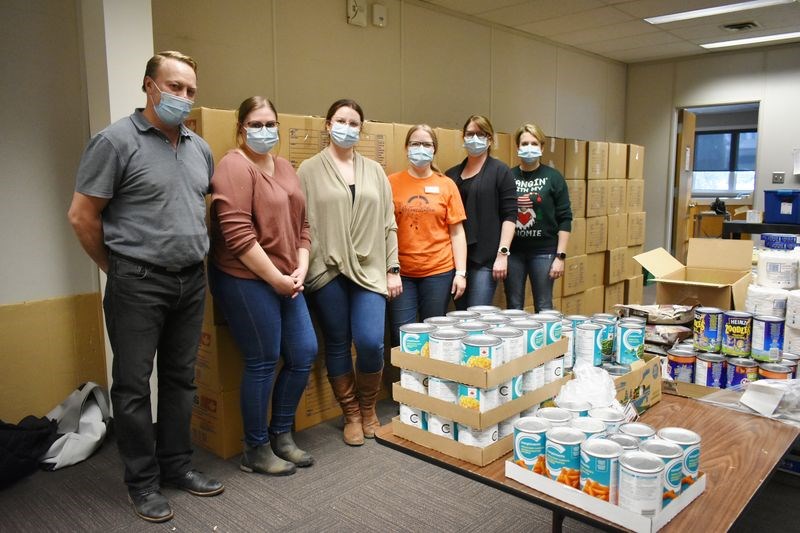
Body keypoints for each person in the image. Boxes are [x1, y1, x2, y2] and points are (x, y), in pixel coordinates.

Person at [67, 51, 223, 523]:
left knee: (181, 380)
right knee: (133, 387)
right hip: (137, 281)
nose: (183, 97)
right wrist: (114, 267)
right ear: (149, 86)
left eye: (190, 90)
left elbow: (196, 206)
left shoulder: (199, 147)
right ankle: (142, 482)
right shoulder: (114, 142)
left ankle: (177, 466)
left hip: (191, 281)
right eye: (174, 87)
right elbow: (82, 215)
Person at [208, 97, 317, 477]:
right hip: (247, 279)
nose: (265, 131)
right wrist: (276, 279)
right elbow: (237, 237)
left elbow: (303, 226)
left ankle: (281, 435)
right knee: (264, 359)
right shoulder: (233, 167)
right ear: (241, 127)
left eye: (270, 123)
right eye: (256, 124)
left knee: (303, 352)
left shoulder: (285, 166)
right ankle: (254, 448)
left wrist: (301, 268)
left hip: (289, 278)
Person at [297, 99, 401, 447]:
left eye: (353, 122)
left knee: (372, 342)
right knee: (337, 343)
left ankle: (370, 407)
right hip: (327, 270)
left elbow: (389, 224)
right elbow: (302, 223)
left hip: (371, 270)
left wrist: (392, 268)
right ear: (327, 125)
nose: (347, 127)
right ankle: (352, 414)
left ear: (361, 128)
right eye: (340, 120)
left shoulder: (375, 171)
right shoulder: (308, 171)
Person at [388, 125, 467, 343]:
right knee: (403, 336)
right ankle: (407, 379)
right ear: (406, 148)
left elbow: (457, 232)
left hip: (438, 272)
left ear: (434, 150)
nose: (420, 148)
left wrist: (460, 273)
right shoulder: (391, 182)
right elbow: (384, 229)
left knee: (434, 335)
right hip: (401, 274)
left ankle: (431, 377)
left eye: (426, 144)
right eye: (415, 143)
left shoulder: (446, 185)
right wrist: (389, 269)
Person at [445, 115, 517, 309]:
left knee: (477, 315)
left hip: (486, 257)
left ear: (490, 139)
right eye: (470, 134)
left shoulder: (501, 171)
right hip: (456, 258)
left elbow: (510, 216)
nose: (474, 138)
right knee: (460, 315)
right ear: (463, 137)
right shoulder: (451, 175)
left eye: (480, 134)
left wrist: (503, 254)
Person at [505, 123, 572, 312]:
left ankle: (546, 343)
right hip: (513, 253)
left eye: (534, 143)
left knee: (543, 306)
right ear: (517, 147)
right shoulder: (508, 176)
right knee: (514, 306)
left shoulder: (553, 177)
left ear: (542, 148)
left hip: (544, 252)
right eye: (524, 143)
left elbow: (565, 218)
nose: (529, 148)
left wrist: (560, 256)